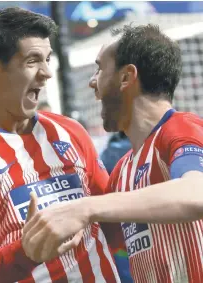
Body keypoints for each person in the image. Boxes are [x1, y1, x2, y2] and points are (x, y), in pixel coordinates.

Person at [23, 24, 203, 282]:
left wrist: (85, 207)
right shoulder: (121, 173)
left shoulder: (181, 127)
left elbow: (197, 193)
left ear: (127, 77)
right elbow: (101, 246)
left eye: (99, 69)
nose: (92, 81)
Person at [0, 7, 121, 283]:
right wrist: (29, 251)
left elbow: (114, 225)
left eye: (47, 59)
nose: (47, 72)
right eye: (32, 61)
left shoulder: (68, 131)